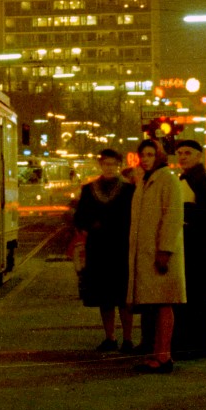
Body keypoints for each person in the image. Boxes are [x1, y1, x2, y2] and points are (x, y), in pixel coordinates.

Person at [127, 137, 185, 373]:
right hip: (148, 254)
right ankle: (157, 354)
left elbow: (172, 218)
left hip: (161, 255)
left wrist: (165, 250)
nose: (146, 159)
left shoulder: (167, 179)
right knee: (156, 305)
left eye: (151, 155)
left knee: (163, 304)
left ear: (159, 156)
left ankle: (163, 356)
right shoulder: (145, 180)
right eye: (144, 155)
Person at [73, 148, 136, 353]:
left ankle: (127, 339)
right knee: (105, 298)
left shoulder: (129, 190)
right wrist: (93, 225)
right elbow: (80, 218)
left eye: (113, 164)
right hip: (99, 249)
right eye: (106, 164)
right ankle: (110, 337)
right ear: (101, 165)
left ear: (119, 166)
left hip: (121, 249)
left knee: (124, 296)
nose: (109, 168)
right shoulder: (89, 189)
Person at [172, 139, 206, 359]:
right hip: (192, 247)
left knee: (194, 299)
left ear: (199, 156)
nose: (182, 157)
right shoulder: (190, 178)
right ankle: (200, 345)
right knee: (194, 300)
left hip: (196, 249)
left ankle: (196, 346)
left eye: (187, 153)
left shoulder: (201, 180)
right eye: (180, 153)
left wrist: (186, 214)